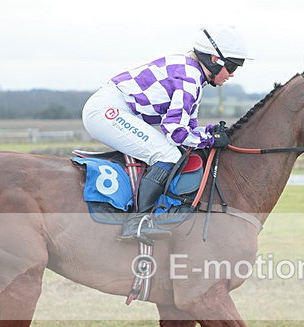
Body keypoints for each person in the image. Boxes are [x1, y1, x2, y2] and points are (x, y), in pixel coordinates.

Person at [82, 25, 250, 242]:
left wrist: (209, 132)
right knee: (168, 155)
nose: (233, 73)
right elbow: (176, 133)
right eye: (232, 65)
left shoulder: (193, 74)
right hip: (107, 111)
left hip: (112, 108)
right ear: (214, 59)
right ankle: (138, 222)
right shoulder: (189, 78)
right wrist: (209, 139)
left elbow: (187, 127)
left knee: (171, 152)